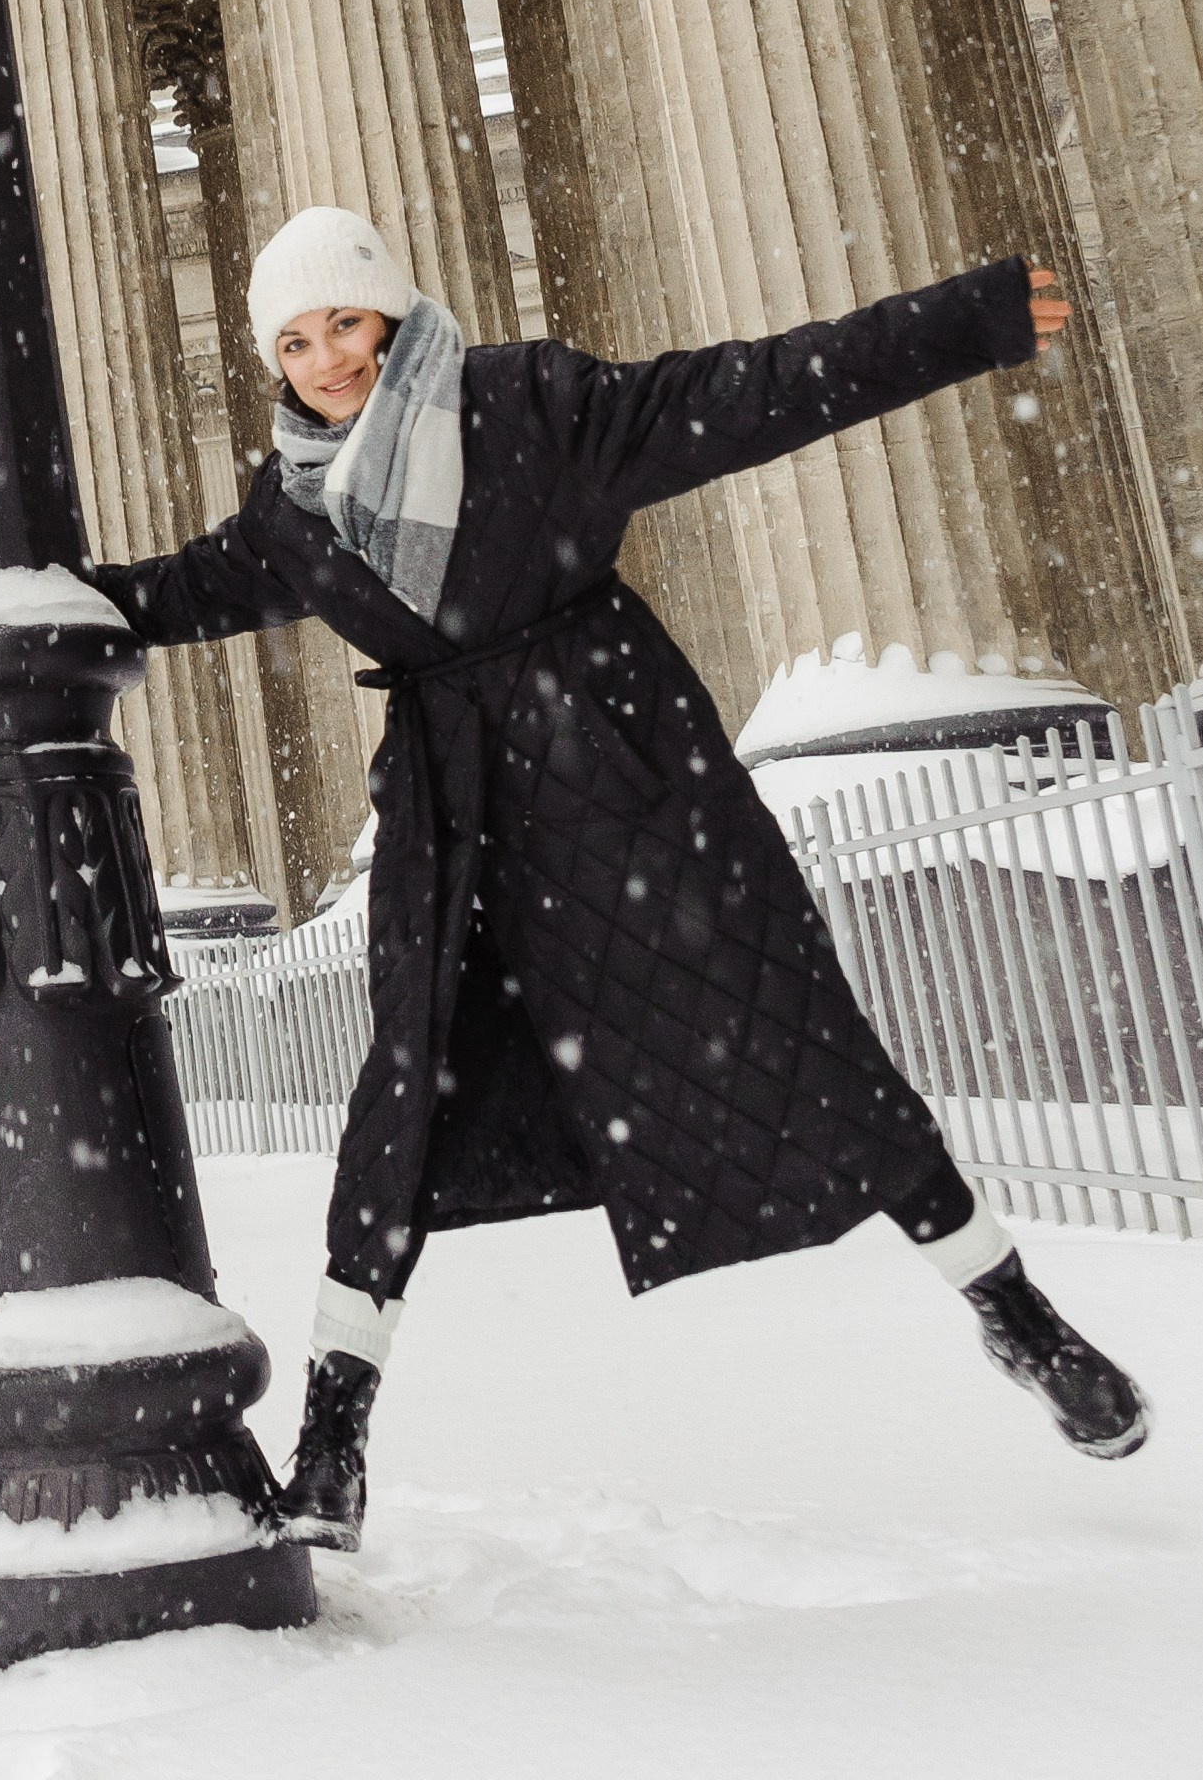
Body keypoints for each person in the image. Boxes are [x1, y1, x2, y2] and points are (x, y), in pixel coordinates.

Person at [85, 205, 1151, 1552]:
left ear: (393, 316)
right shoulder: (292, 510)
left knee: (803, 1045)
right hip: (455, 827)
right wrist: (11, 601)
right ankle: (331, 1451)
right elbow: (177, 592)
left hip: (623, 787)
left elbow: (753, 389)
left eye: (344, 324)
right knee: (400, 1112)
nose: (326, 361)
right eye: (293, 342)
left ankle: (1024, 1325)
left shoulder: (529, 404)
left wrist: (967, 320)